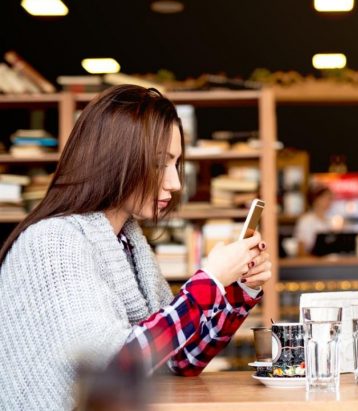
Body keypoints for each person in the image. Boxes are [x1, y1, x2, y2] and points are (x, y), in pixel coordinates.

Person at [0, 85, 272, 410]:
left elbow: (178, 361)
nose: (175, 183)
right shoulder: (53, 242)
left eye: (176, 164)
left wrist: (236, 289)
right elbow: (117, 367)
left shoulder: (128, 243)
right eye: (160, 164)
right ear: (114, 159)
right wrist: (209, 281)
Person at [293, 185, 334, 256]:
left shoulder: (330, 221)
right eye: (327, 198)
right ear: (316, 199)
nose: (330, 202)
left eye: (331, 199)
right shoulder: (305, 221)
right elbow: (300, 251)